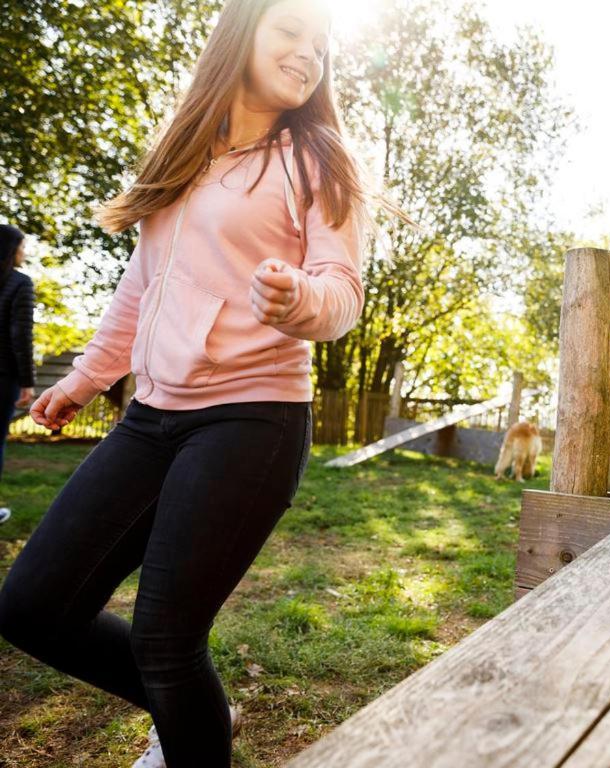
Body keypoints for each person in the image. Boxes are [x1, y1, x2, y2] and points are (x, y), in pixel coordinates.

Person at [0, 1, 378, 765]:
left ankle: (188, 726)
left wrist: (298, 299)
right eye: (290, 34)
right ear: (242, 36)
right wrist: (84, 379)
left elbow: (341, 291)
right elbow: (142, 285)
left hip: (254, 417)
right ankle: (197, 714)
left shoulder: (319, 158)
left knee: (166, 638)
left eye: (321, 45)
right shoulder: (184, 154)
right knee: (31, 605)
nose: (309, 55)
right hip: (152, 416)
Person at [0, 224, 37, 524]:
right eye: (22, 246)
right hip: (4, 377)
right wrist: (27, 382)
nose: (24, 252)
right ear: (11, 250)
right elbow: (20, 335)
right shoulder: (20, 283)